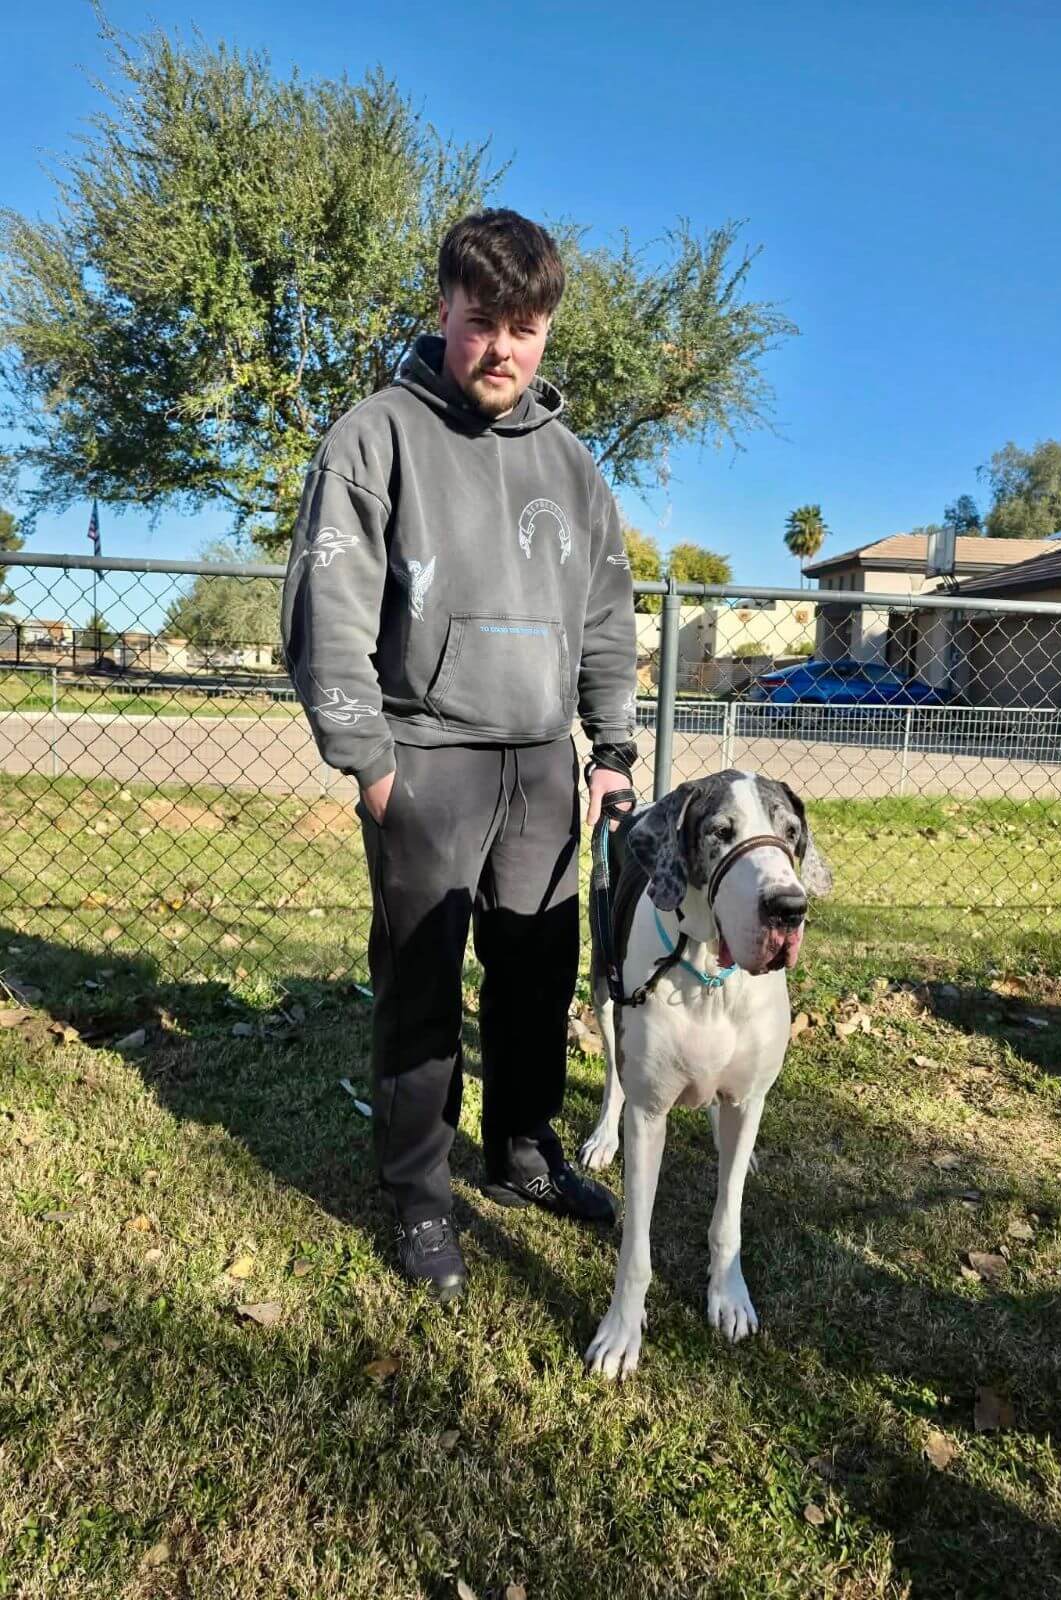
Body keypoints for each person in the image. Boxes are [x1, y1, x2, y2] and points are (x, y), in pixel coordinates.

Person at [281, 208, 638, 1301]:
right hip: (425, 759)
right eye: (482, 322)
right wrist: (372, 762)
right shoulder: (375, 436)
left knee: (536, 973)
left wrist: (610, 749)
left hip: (541, 766)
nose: (502, 349)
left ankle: (523, 1149)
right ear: (443, 310)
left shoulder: (572, 466)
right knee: (423, 990)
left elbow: (607, 617)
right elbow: (324, 610)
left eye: (525, 328)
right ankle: (420, 1195)